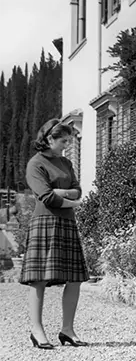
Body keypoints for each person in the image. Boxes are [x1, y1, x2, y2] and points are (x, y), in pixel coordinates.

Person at [20, 119, 88, 349]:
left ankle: (67, 329)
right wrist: (73, 201)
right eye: (63, 140)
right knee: (39, 279)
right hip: (45, 222)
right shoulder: (35, 164)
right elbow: (46, 197)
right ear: (49, 138)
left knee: (75, 278)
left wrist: (64, 193)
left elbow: (78, 189)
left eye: (69, 140)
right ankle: (36, 330)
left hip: (66, 223)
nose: (67, 145)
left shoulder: (66, 163)